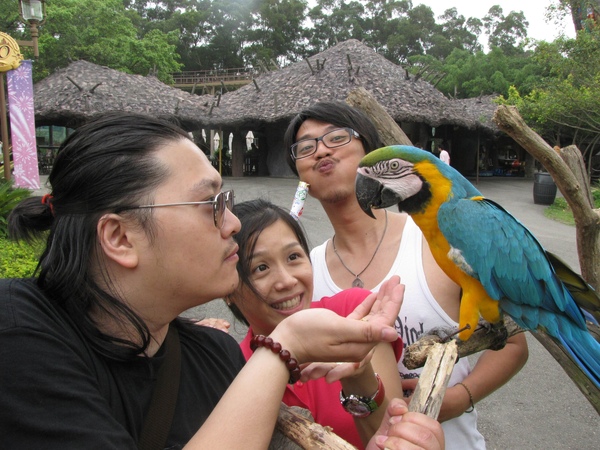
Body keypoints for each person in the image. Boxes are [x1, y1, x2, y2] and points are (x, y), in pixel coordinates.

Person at [1, 112, 444, 450]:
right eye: (210, 203)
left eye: (225, 200)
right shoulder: (18, 332)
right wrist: (280, 351)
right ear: (119, 237)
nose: (232, 222)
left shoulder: (211, 356)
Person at [283, 101, 529, 449]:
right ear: (299, 172)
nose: (321, 149)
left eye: (336, 137)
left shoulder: (439, 238)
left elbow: (514, 344)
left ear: (370, 149)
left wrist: (457, 398)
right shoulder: (304, 272)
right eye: (305, 147)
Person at [225, 198, 405, 449]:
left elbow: (397, 438)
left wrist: (359, 377)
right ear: (228, 288)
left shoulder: (353, 313)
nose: (287, 281)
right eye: (261, 267)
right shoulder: (231, 371)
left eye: (293, 256)